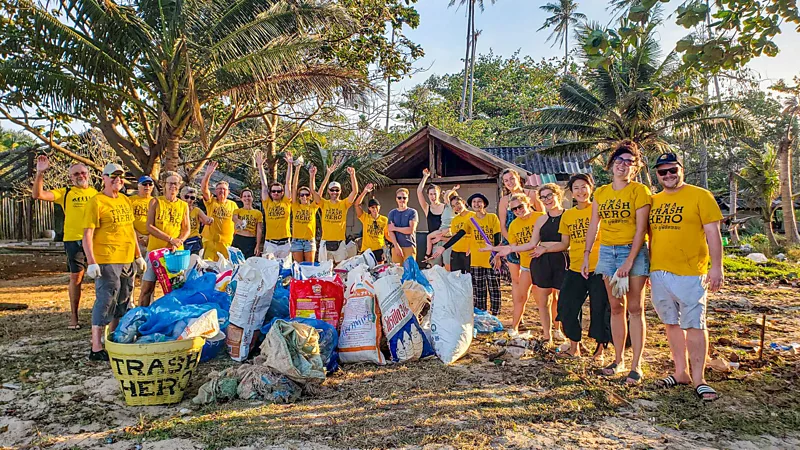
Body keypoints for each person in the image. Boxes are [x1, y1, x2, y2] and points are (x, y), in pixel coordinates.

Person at [649, 153, 723, 402]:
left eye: (673, 170)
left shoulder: (700, 195)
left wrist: (717, 267)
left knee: (694, 323)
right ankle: (680, 372)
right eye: (663, 172)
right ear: (657, 175)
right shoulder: (654, 200)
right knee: (671, 323)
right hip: (659, 271)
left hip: (691, 272)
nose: (668, 175)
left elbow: (713, 233)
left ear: (681, 170)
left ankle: (700, 378)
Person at [583, 140, 652, 385]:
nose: (623, 166)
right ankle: (618, 359)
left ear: (635, 168)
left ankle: (636, 365)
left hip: (632, 252)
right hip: (607, 253)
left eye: (629, 163)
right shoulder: (601, 192)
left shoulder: (639, 191)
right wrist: (586, 253)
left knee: (635, 309)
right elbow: (594, 225)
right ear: (611, 165)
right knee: (615, 308)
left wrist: (629, 261)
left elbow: (641, 229)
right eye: (619, 161)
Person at [523, 175, 611, 360]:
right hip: (576, 267)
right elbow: (564, 244)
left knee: (599, 307)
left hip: (600, 266)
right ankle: (574, 346)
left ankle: (600, 349)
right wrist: (544, 249)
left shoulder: (600, 210)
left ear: (591, 188)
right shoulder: (568, 215)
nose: (580, 191)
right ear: (571, 192)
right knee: (567, 306)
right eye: (576, 188)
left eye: (584, 187)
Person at [83, 163, 145, 361]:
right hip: (107, 259)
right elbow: (88, 234)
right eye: (113, 176)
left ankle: (114, 339)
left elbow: (130, 230)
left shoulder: (126, 200)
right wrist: (91, 261)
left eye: (121, 176)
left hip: (127, 258)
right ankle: (96, 346)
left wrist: (138, 255)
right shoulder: (97, 202)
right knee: (106, 299)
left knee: (124, 299)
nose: (118, 179)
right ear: (104, 178)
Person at [32, 155, 98, 330]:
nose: (80, 176)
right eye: (76, 173)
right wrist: (40, 173)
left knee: (102, 276)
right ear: (70, 177)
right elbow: (38, 194)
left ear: (88, 175)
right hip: (73, 239)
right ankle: (74, 316)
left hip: (95, 240)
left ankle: (101, 316)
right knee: (76, 277)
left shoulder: (96, 194)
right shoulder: (66, 192)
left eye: (83, 173)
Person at [485, 194, 543, 337]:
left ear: (528, 203)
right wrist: (498, 252)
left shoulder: (540, 217)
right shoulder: (514, 225)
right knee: (521, 297)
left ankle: (554, 330)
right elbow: (512, 246)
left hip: (543, 264)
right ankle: (514, 327)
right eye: (514, 209)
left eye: (520, 206)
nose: (518, 210)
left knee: (544, 300)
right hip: (526, 266)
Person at [497, 169, 544, 329]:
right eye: (506, 180)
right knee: (516, 282)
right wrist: (513, 245)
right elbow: (502, 225)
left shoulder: (532, 194)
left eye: (511, 178)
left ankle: (546, 318)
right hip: (513, 244)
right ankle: (519, 317)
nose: (509, 182)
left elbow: (543, 216)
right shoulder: (504, 200)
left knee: (538, 282)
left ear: (518, 178)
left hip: (534, 244)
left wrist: (534, 242)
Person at [138, 171, 190, 307]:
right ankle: (140, 315)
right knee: (147, 288)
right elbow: (149, 226)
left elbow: (186, 229)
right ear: (164, 185)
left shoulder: (183, 205)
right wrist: (170, 238)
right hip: (155, 252)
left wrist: (178, 241)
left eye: (176, 183)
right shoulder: (155, 201)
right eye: (171, 183)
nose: (174, 186)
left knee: (175, 289)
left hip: (174, 254)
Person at [314, 160, 358, 263]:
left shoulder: (344, 204)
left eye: (337, 190)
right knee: (324, 269)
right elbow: (315, 193)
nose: (334, 192)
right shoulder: (324, 203)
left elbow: (355, 192)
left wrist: (353, 175)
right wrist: (328, 174)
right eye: (332, 190)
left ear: (340, 191)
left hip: (340, 242)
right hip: (325, 241)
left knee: (340, 268)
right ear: (328, 191)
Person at [466, 193, 502, 316]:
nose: (476, 204)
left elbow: (497, 238)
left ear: (484, 204)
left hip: (491, 258)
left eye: (479, 201)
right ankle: (481, 313)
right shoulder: (470, 220)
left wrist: (497, 256)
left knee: (494, 287)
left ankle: (495, 313)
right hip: (476, 259)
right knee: (478, 289)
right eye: (474, 202)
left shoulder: (492, 218)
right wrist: (444, 247)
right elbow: (459, 234)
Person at [256, 152, 293, 259]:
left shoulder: (286, 202)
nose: (276, 193)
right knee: (268, 270)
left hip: (285, 244)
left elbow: (288, 183)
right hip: (270, 244)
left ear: (282, 192)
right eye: (273, 191)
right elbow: (264, 184)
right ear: (270, 193)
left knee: (285, 271)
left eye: (278, 191)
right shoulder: (267, 203)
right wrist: (260, 166)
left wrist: (290, 165)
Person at [200, 161, 238, 261]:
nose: (222, 191)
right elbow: (204, 189)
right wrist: (208, 174)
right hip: (210, 241)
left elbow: (236, 221)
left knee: (223, 268)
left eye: (224, 189)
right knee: (207, 266)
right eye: (219, 189)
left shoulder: (233, 205)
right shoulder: (211, 202)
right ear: (215, 191)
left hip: (226, 242)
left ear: (228, 192)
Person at [429, 195, 474, 274]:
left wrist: (471, 247)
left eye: (457, 203)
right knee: (455, 278)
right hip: (456, 252)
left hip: (468, 252)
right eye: (453, 206)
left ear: (463, 202)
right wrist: (442, 240)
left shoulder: (473, 216)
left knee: (469, 277)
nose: (456, 207)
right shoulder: (455, 220)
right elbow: (453, 238)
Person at [424, 184, 459, 269]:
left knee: (447, 265)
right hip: (441, 231)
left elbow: (448, 197)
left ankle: (428, 255)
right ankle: (428, 255)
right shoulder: (446, 207)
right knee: (429, 237)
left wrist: (453, 190)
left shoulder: (452, 207)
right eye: (431, 194)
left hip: (448, 233)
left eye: (435, 194)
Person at [290, 165, 320, 262]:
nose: (304, 197)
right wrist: (297, 168)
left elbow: (314, 191)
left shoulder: (313, 207)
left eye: (306, 195)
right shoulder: (295, 206)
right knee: (298, 267)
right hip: (296, 241)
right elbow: (294, 187)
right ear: (298, 196)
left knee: (309, 268)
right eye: (301, 195)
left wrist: (312, 176)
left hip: (309, 241)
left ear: (310, 196)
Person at [355, 183, 389, 263]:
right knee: (367, 271)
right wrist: (364, 192)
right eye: (372, 207)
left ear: (379, 207)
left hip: (379, 248)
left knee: (380, 271)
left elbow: (387, 235)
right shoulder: (365, 217)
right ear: (369, 208)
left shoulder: (384, 219)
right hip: (367, 250)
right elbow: (356, 205)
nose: (374, 209)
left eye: (376, 207)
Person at [387, 188, 419, 263]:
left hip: (409, 246)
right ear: (396, 199)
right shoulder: (392, 213)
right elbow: (390, 231)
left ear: (408, 199)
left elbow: (410, 230)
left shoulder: (412, 212)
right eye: (399, 198)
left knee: (410, 272)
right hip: (396, 247)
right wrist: (396, 246)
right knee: (396, 272)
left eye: (404, 198)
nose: (402, 200)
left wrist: (395, 228)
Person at [232, 189, 264, 258]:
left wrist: (258, 245)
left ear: (252, 198)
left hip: (251, 240)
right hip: (238, 239)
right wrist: (239, 221)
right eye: (244, 196)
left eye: (249, 196)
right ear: (241, 198)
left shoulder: (258, 213)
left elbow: (259, 230)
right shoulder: (238, 211)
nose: (247, 198)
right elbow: (234, 218)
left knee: (249, 263)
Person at [181, 186, 210, 255]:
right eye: (186, 197)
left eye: (192, 198)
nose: (189, 200)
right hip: (181, 240)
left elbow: (206, 219)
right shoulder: (177, 209)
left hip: (194, 241)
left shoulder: (196, 210)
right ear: (182, 196)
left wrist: (210, 220)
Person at [131, 175, 155, 255]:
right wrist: (138, 236)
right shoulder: (131, 200)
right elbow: (128, 221)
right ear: (139, 186)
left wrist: (150, 236)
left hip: (152, 238)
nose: (147, 186)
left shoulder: (156, 202)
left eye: (150, 184)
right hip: (135, 238)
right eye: (144, 184)